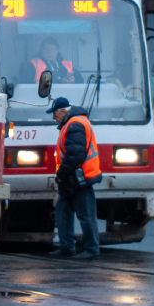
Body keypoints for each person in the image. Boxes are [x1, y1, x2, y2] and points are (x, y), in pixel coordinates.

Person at [47, 96, 102, 260]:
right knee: (64, 211)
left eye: (55, 113)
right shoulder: (72, 123)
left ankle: (91, 249)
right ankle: (66, 247)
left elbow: (74, 155)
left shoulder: (75, 124)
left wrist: (61, 174)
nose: (53, 117)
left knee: (85, 215)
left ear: (63, 111)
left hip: (79, 178)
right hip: (73, 177)